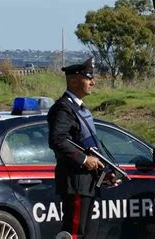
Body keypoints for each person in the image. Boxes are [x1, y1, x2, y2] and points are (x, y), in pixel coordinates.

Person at [48, 57, 118, 239]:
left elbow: (89, 145)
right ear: (73, 80)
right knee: (74, 234)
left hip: (87, 183)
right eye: (88, 78)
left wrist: (105, 172)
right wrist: (85, 160)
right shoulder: (63, 108)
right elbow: (57, 140)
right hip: (76, 182)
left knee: (85, 233)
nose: (93, 82)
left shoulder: (80, 109)